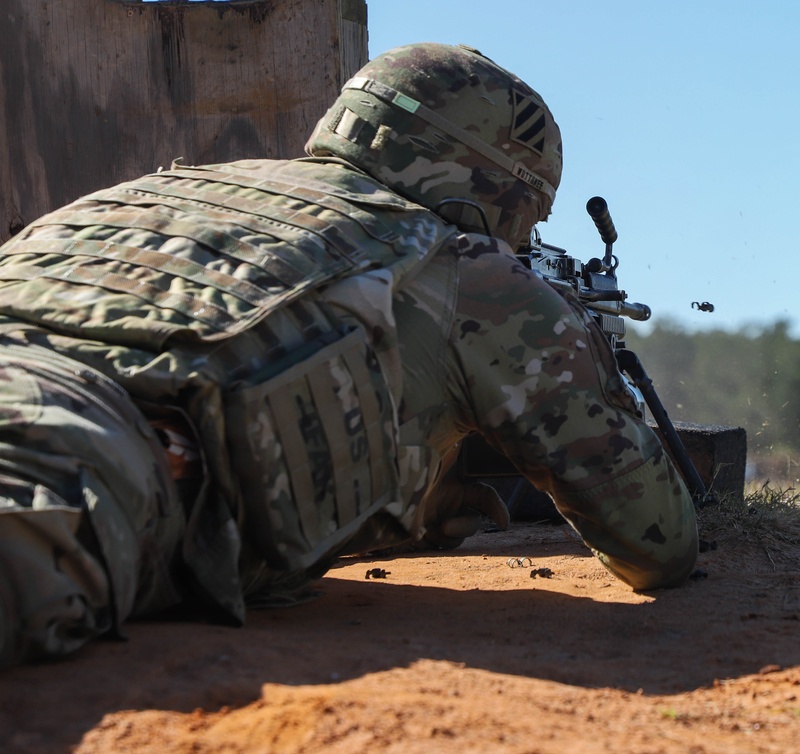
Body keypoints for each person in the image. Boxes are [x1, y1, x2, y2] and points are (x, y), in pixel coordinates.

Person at [0, 43, 698, 669]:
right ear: (497, 190)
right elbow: (657, 542)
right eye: (532, 214)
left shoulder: (160, 188)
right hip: (80, 447)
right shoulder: (470, 268)